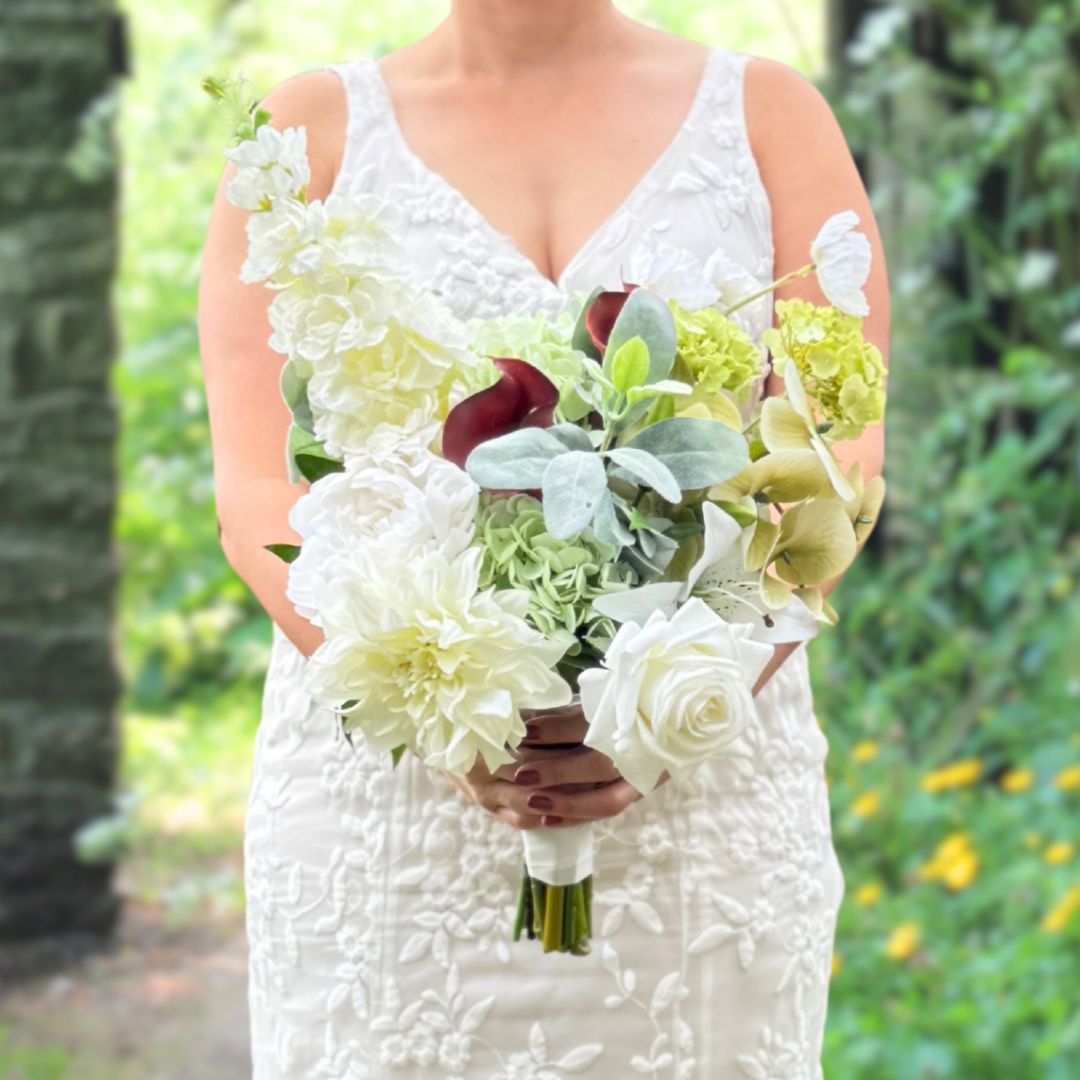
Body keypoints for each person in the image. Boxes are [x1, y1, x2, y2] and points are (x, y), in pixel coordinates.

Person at [198, 2, 889, 1076]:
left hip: (700, 809)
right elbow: (255, 491)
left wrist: (661, 711)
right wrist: (442, 707)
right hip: (393, 805)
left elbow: (836, 472)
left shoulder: (767, 120)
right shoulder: (304, 140)